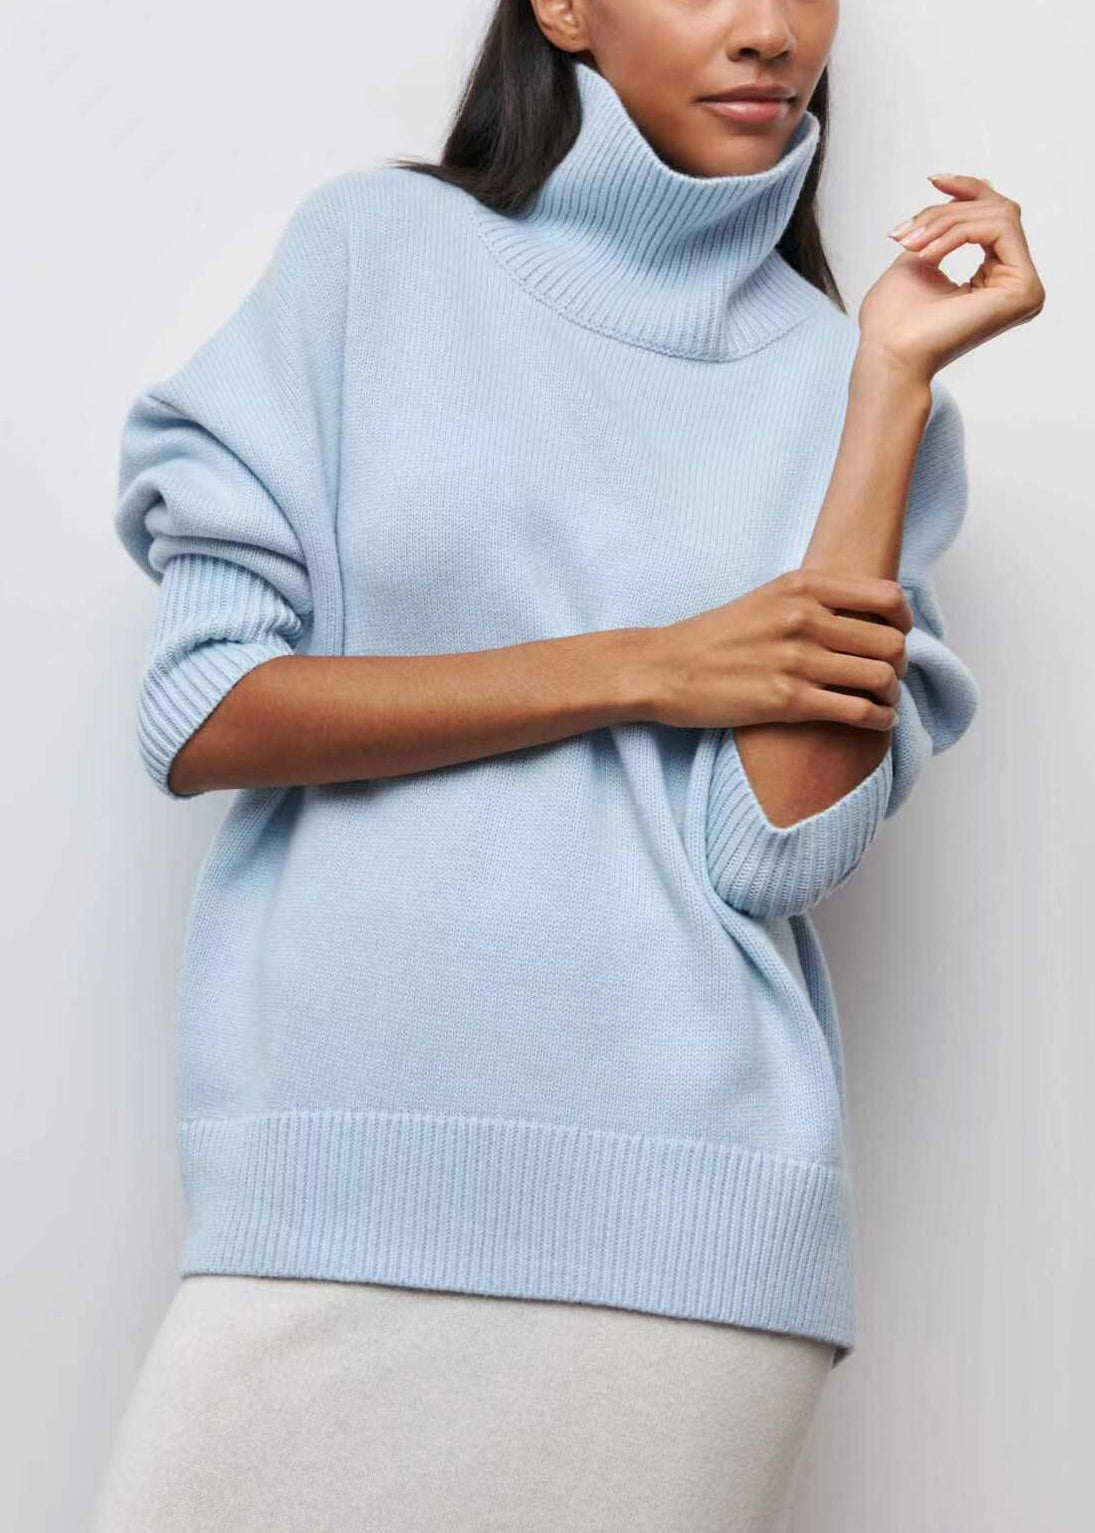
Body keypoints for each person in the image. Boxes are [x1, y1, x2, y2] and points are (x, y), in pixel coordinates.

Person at [92, 2, 1044, 1530]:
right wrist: (646, 666)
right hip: (328, 1181)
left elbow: (773, 851)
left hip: (688, 1226)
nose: (768, 31)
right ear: (566, 7)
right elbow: (206, 709)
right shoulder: (372, 257)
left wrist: (886, 381)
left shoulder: (840, 378)